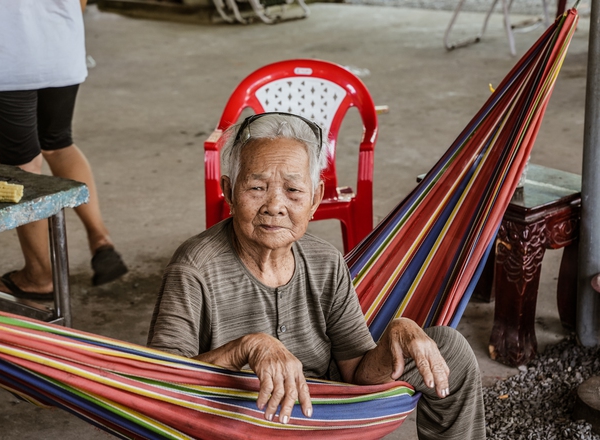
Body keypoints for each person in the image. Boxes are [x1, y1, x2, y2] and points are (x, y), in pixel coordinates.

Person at [147, 112, 486, 439]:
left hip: (323, 414)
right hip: (238, 418)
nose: (275, 205)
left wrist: (397, 333)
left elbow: (356, 372)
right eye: (257, 188)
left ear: (315, 199)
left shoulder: (325, 261)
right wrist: (246, 349)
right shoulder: (194, 267)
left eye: (293, 191)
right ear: (229, 191)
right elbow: (159, 383)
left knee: (448, 348)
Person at [0, 0, 127, 298]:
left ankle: (39, 276)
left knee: (22, 164)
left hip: (4, 53)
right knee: (57, 144)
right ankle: (101, 241)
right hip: (59, 44)